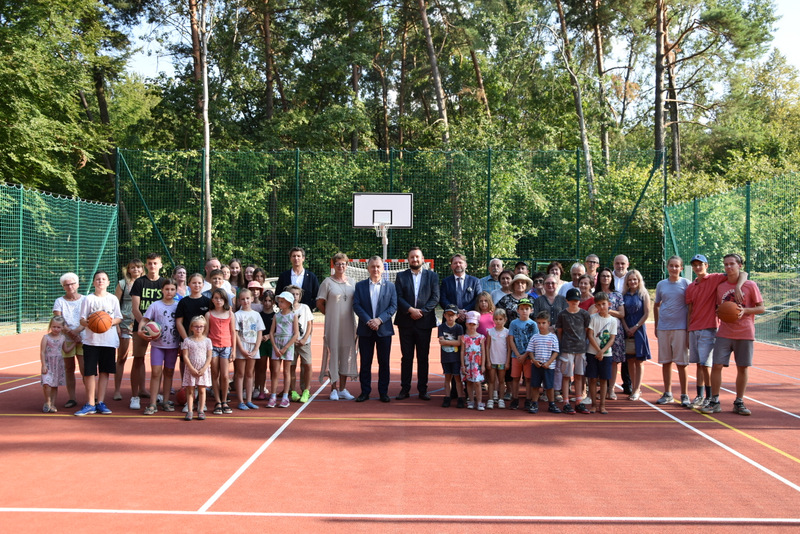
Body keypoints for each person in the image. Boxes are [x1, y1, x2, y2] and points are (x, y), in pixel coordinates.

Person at [702, 254, 764, 416]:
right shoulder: (721, 286)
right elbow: (720, 307)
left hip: (745, 332)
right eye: (726, 264)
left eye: (732, 264)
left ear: (739, 265)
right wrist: (720, 312)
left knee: (742, 367)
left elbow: (761, 308)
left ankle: (739, 402)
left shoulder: (750, 285)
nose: (728, 267)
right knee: (717, 365)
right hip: (724, 332)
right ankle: (715, 401)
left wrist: (745, 310)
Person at [685, 254, 747, 408]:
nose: (697, 267)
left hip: (709, 328)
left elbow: (743, 274)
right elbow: (690, 310)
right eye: (695, 265)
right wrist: (688, 330)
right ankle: (699, 396)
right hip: (694, 329)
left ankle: (709, 396)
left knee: (706, 365)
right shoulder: (691, 287)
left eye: (700, 264)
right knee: (699, 364)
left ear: (706, 265)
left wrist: (738, 287)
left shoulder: (715, 278)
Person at [74, 271, 123, 416]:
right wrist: (91, 323)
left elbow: (119, 318)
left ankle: (100, 402)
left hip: (108, 341)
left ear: (108, 282)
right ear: (94, 282)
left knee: (104, 371)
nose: (100, 281)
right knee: (89, 372)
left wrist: (108, 322)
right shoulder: (88, 299)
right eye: (98, 279)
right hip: (91, 341)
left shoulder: (113, 299)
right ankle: (90, 403)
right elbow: (82, 320)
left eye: (103, 279)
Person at [394, 247, 440, 400]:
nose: (415, 259)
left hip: (424, 322)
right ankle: (405, 389)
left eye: (417, 257)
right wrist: (410, 310)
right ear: (408, 259)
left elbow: (435, 298)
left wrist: (422, 312)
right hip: (405, 322)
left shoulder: (432, 276)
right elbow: (398, 297)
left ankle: (422, 389)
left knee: (423, 357)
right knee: (406, 357)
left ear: (422, 259)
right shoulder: (401, 276)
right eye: (412, 257)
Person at [353, 256, 397, 403]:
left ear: (383, 269)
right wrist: (368, 320)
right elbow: (356, 305)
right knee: (365, 363)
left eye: (378, 266)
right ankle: (365, 392)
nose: (375, 269)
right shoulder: (360, 286)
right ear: (368, 268)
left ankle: (383, 392)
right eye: (372, 266)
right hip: (365, 330)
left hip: (384, 330)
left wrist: (379, 320)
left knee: (384, 362)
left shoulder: (390, 286)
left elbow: (393, 306)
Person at [317, 254, 358, 401]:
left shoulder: (352, 282)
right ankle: (333, 389)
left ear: (347, 265)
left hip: (349, 324)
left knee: (346, 355)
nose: (341, 266)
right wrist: (330, 314)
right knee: (333, 354)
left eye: (343, 264)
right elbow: (320, 302)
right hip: (333, 325)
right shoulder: (327, 282)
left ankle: (342, 389)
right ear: (333, 265)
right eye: (338, 264)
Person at [129, 253, 167, 409]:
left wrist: (157, 327)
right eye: (150, 263)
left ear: (160, 265)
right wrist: (145, 326)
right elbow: (135, 308)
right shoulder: (139, 282)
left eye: (155, 263)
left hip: (161, 329)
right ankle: (134, 396)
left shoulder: (164, 282)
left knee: (160, 362)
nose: (152, 266)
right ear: (146, 265)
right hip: (141, 327)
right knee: (138, 359)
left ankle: (156, 393)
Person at [654, 256, 691, 407]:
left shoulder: (686, 283)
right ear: (667, 267)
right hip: (664, 328)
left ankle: (684, 395)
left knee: (682, 363)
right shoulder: (661, 284)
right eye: (671, 266)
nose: (674, 268)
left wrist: (688, 328)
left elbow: (690, 306)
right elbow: (656, 305)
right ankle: (667, 393)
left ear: (681, 268)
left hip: (680, 328)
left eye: (677, 266)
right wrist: (657, 325)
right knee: (666, 362)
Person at [141, 278, 181, 415]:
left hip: (173, 345)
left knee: (169, 373)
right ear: (162, 290)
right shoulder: (155, 305)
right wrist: (141, 331)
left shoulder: (178, 305)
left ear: (176, 291)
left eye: (172, 289)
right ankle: (152, 403)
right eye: (167, 289)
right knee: (156, 372)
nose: (169, 292)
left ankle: (165, 401)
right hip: (157, 345)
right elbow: (144, 320)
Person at [53, 272, 85, 408]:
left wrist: (77, 332)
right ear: (63, 287)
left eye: (72, 283)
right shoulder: (59, 301)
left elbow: (87, 319)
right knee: (69, 368)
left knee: (85, 369)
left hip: (83, 338)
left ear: (77, 284)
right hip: (66, 339)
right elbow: (58, 320)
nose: (70, 286)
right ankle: (72, 398)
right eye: (66, 285)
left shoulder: (85, 299)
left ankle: (92, 397)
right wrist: (71, 334)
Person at [593, 267, 626, 400]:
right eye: (603, 276)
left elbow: (622, 314)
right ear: (599, 278)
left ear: (611, 278)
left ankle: (611, 389)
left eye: (608, 276)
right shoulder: (594, 295)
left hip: (614, 332)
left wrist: (608, 311)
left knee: (613, 361)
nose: (606, 278)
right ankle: (601, 389)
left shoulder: (617, 295)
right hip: (597, 332)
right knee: (598, 359)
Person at [556, 288, 591, 414]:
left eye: (576, 300)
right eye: (571, 300)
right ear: (567, 301)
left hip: (580, 349)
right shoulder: (562, 315)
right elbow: (559, 331)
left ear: (579, 301)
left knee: (579, 375)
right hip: (567, 348)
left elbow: (586, 330)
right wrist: (563, 345)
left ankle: (578, 401)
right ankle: (566, 402)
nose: (574, 302)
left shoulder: (584, 314)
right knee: (566, 376)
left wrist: (581, 342)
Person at [113, 258, 143, 401]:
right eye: (132, 267)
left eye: (138, 267)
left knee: (139, 357)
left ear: (142, 269)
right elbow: (114, 305)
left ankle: (142, 389)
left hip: (140, 323)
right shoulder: (122, 284)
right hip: (125, 323)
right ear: (128, 269)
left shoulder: (145, 283)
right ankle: (117, 390)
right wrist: (116, 324)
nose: (135, 269)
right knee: (122, 357)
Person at [585, 292, 617, 414]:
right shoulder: (593, 318)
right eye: (598, 305)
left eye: (603, 304)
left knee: (604, 380)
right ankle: (593, 404)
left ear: (609, 304)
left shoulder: (613, 320)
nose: (601, 307)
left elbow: (612, 339)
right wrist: (598, 350)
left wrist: (602, 351)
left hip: (606, 354)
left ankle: (602, 405)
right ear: (595, 306)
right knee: (592, 379)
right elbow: (590, 335)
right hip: (592, 353)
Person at [206, 288, 236, 415]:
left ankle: (224, 400)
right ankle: (217, 401)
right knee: (215, 374)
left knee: (225, 375)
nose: (218, 300)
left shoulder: (230, 314)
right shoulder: (209, 314)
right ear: (212, 300)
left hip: (226, 347)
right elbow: (206, 332)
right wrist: (206, 350)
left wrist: (234, 350)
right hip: (213, 347)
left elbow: (233, 332)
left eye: (221, 298)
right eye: (216, 298)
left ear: (225, 300)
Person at [524, 311, 560, 414]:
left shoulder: (553, 337)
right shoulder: (535, 337)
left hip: (549, 367)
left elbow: (556, 352)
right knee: (535, 385)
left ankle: (551, 404)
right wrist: (534, 360)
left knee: (549, 386)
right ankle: (534, 403)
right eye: (539, 323)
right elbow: (530, 350)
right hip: (536, 365)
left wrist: (549, 363)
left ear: (548, 323)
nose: (541, 325)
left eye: (543, 323)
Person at [234, 288, 265, 410]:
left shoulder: (256, 315)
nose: (245, 301)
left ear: (252, 299)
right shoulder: (237, 315)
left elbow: (259, 332)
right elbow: (235, 333)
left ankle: (249, 400)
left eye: (247, 298)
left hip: (253, 347)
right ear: (239, 300)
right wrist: (241, 349)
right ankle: (240, 401)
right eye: (242, 299)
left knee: (250, 373)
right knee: (240, 373)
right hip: (242, 346)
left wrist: (256, 348)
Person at [622, 269, 651, 401]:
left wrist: (635, 327)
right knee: (630, 360)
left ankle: (637, 389)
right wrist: (626, 328)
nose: (632, 282)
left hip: (639, 330)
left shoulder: (643, 294)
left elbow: (646, 313)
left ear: (639, 281)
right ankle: (633, 387)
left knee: (639, 361)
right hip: (626, 329)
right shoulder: (624, 295)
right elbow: (622, 314)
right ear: (627, 282)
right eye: (630, 280)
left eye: (635, 279)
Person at [268, 291, 299, 408]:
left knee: (287, 372)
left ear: (289, 303)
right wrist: (275, 347)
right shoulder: (276, 316)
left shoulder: (293, 316)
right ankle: (273, 396)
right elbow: (271, 333)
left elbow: (296, 334)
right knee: (275, 372)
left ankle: (285, 396)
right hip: (277, 344)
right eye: (279, 301)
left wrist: (286, 347)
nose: (279, 303)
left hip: (288, 345)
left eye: (282, 302)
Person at [180, 315, 213, 421]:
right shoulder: (187, 341)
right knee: (190, 391)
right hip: (191, 369)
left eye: (201, 327)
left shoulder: (207, 341)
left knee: (202, 390)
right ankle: (190, 411)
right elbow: (185, 356)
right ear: (191, 327)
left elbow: (209, 356)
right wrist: (191, 368)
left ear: (204, 327)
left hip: (203, 369)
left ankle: (201, 410)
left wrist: (204, 368)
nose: (198, 329)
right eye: (196, 326)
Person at [508, 298, 538, 410]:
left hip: (529, 356)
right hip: (516, 356)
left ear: (531, 310)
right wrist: (517, 354)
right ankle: (515, 399)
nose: (524, 311)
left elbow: (534, 341)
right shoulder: (513, 323)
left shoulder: (533, 324)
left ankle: (528, 399)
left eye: (527, 308)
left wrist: (525, 355)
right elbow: (511, 340)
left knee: (528, 379)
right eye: (522, 309)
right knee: (515, 378)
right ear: (518, 310)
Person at [287, 284, 314, 403]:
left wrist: (304, 339)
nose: (295, 296)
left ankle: (306, 390)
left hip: (304, 342)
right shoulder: (286, 309)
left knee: (307, 365)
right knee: (291, 366)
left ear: (300, 296)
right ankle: (293, 391)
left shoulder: (305, 308)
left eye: (297, 294)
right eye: (292, 294)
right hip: (290, 343)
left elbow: (309, 325)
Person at [440, 254, 482, 324]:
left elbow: (478, 298)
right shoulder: (445, 282)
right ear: (451, 266)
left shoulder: (475, 281)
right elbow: (442, 299)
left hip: (470, 320)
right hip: (450, 319)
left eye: (460, 262)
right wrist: (456, 311)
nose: (458, 265)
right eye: (455, 263)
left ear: (465, 265)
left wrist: (465, 311)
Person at [438, 305, 465, 407]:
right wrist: (452, 342)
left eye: (452, 315)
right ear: (444, 315)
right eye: (448, 315)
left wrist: (446, 342)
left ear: (457, 316)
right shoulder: (441, 327)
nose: (450, 317)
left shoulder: (459, 328)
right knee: (447, 377)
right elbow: (441, 341)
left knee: (457, 378)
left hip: (456, 358)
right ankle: (447, 397)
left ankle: (460, 398)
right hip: (445, 357)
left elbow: (459, 342)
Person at [40, 316, 67, 413]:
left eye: (58, 327)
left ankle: (52, 404)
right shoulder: (46, 337)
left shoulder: (63, 338)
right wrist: (43, 365)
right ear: (50, 326)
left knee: (55, 385)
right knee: (46, 383)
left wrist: (75, 343)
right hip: (48, 363)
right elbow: (42, 352)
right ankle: (47, 401)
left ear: (62, 327)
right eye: (54, 326)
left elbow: (66, 350)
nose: (56, 329)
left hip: (58, 363)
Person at [485, 308, 510, 409]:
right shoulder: (490, 332)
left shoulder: (507, 332)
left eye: (500, 319)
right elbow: (487, 347)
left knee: (501, 381)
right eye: (496, 319)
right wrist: (488, 360)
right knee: (491, 380)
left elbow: (509, 348)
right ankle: (491, 399)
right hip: (492, 360)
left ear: (505, 320)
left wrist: (507, 362)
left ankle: (501, 399)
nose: (498, 321)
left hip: (502, 361)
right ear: (493, 320)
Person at [461, 311, 486, 410]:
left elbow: (483, 351)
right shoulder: (464, 337)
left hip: (477, 364)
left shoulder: (481, 337)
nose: (471, 326)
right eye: (469, 324)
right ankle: (471, 401)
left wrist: (483, 365)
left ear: (477, 325)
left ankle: (479, 402)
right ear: (466, 324)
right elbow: (462, 351)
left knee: (477, 382)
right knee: (469, 382)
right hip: (468, 363)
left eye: (473, 324)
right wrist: (463, 365)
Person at [255, 290, 275, 401]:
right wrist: (261, 336)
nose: (267, 303)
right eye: (265, 301)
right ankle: (261, 391)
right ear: (262, 301)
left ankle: (273, 391)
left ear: (273, 302)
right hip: (261, 344)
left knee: (273, 368)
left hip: (272, 344)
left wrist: (268, 336)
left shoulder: (276, 315)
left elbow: (278, 330)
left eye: (269, 301)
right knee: (261, 368)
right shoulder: (259, 315)